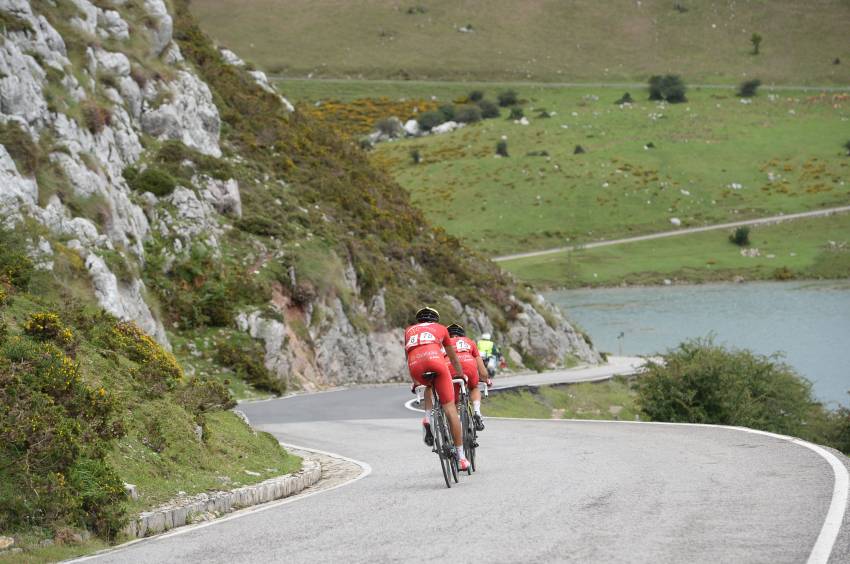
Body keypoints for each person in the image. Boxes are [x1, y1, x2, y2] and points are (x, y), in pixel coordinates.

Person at [404, 306, 471, 471]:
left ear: (419, 320)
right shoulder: (441, 329)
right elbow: (452, 356)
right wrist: (460, 374)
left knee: (428, 385)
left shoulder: (409, 331)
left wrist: (414, 381)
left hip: (415, 366)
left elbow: (408, 356)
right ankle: (462, 457)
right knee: (449, 407)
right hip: (436, 362)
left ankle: (427, 417)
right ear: (435, 319)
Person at [446, 323, 488, 431]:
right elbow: (482, 371)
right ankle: (477, 412)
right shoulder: (470, 342)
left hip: (450, 367)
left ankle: (455, 431)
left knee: (453, 402)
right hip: (469, 366)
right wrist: (485, 379)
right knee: (474, 387)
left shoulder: (444, 343)